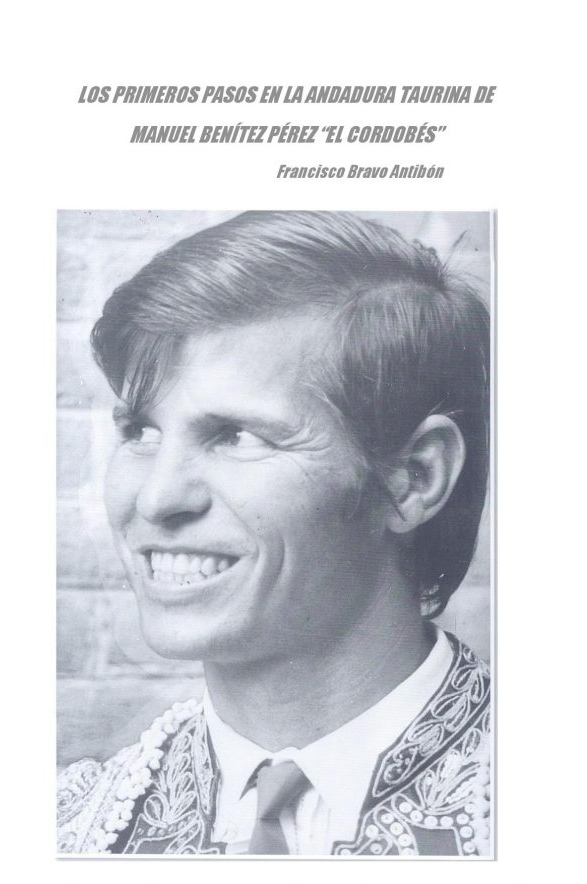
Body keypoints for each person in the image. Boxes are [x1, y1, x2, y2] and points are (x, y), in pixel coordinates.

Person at [57, 211, 491, 857]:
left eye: (237, 436)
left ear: (413, 479)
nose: (156, 498)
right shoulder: (70, 833)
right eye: (140, 431)